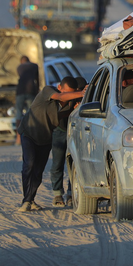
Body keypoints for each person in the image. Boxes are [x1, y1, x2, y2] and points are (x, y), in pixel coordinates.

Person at [16, 81, 81, 211]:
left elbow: (59, 115)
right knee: (29, 164)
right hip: (29, 133)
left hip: (45, 139)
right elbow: (61, 97)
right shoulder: (47, 91)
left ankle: (30, 199)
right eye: (65, 91)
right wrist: (81, 93)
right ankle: (26, 200)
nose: (66, 95)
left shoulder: (68, 106)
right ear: (59, 88)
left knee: (38, 171)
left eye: (70, 93)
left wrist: (76, 107)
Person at [49, 76, 82, 207]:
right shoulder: (56, 98)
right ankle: (57, 195)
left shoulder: (79, 99)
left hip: (74, 132)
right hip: (59, 131)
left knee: (73, 164)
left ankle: (70, 193)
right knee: (57, 164)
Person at [15, 56, 40, 137]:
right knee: (31, 112)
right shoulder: (34, 66)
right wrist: (37, 92)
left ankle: (18, 136)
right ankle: (32, 133)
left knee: (18, 112)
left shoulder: (19, 67)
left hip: (20, 91)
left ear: (21, 61)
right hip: (30, 91)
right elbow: (37, 80)